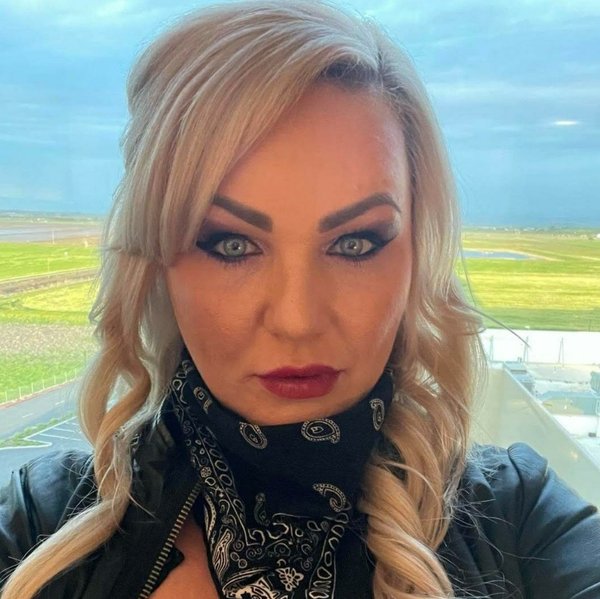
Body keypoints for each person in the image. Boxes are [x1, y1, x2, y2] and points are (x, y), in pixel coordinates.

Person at [1, 1, 599, 597]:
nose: (297, 320)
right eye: (232, 245)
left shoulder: (519, 519)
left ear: (415, 258)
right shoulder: (39, 525)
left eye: (355, 243)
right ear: (158, 266)